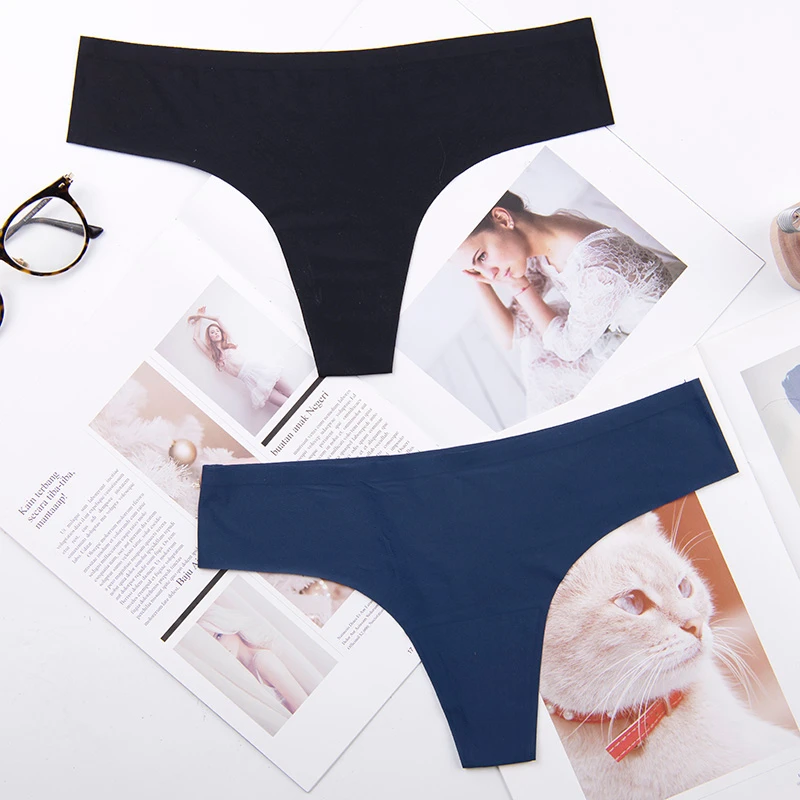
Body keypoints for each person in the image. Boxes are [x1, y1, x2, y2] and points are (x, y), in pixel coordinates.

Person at [457, 192, 675, 414]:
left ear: (503, 219)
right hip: (617, 325)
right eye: (475, 268)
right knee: (537, 345)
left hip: (659, 336)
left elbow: (568, 349)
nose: (490, 274)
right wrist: (479, 281)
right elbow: (512, 333)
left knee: (545, 371)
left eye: (482, 257)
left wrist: (519, 287)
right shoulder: (544, 239)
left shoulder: (596, 265)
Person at [198, 603, 326, 714]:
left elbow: (303, 707)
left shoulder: (263, 660)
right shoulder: (238, 672)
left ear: (228, 627)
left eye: (219, 636)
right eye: (212, 644)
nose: (220, 647)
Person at [187, 306, 292, 409]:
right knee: (286, 405)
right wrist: (198, 319)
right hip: (251, 381)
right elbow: (196, 338)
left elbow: (217, 318)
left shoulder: (230, 342)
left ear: (221, 333)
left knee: (292, 394)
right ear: (210, 337)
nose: (216, 333)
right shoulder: (215, 357)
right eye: (212, 332)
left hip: (261, 371)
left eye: (217, 331)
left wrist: (200, 315)